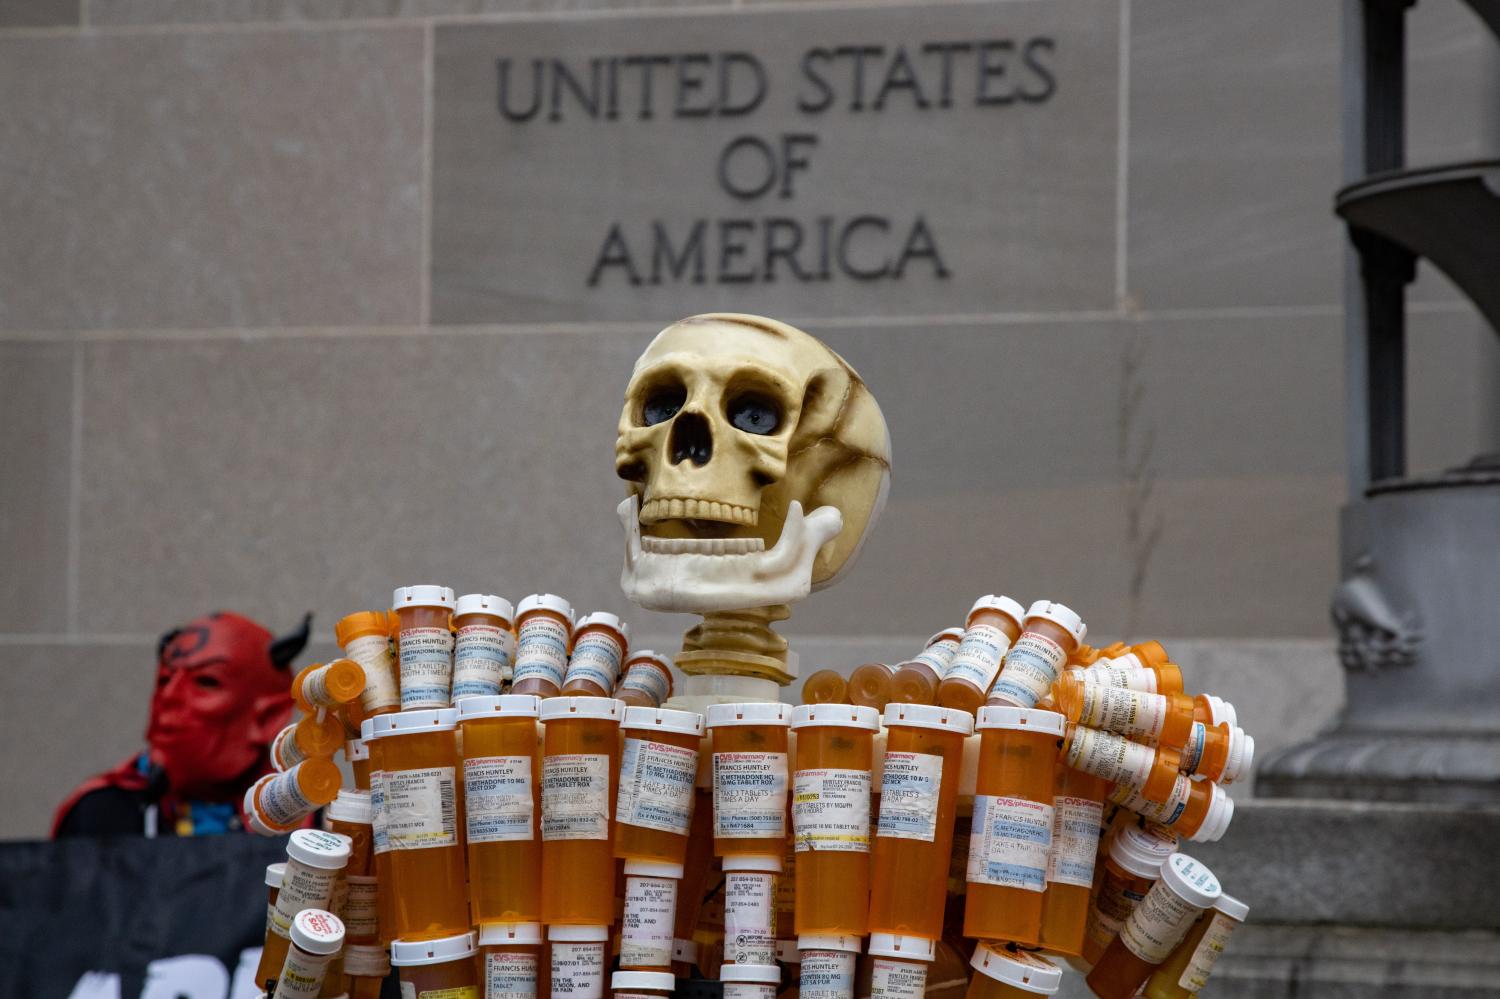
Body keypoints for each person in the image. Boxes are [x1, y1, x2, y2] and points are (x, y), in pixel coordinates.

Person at [52, 610, 311, 837]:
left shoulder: (308, 827)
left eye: (206, 682)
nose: (169, 697)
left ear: (267, 716)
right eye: (165, 679)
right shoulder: (98, 816)